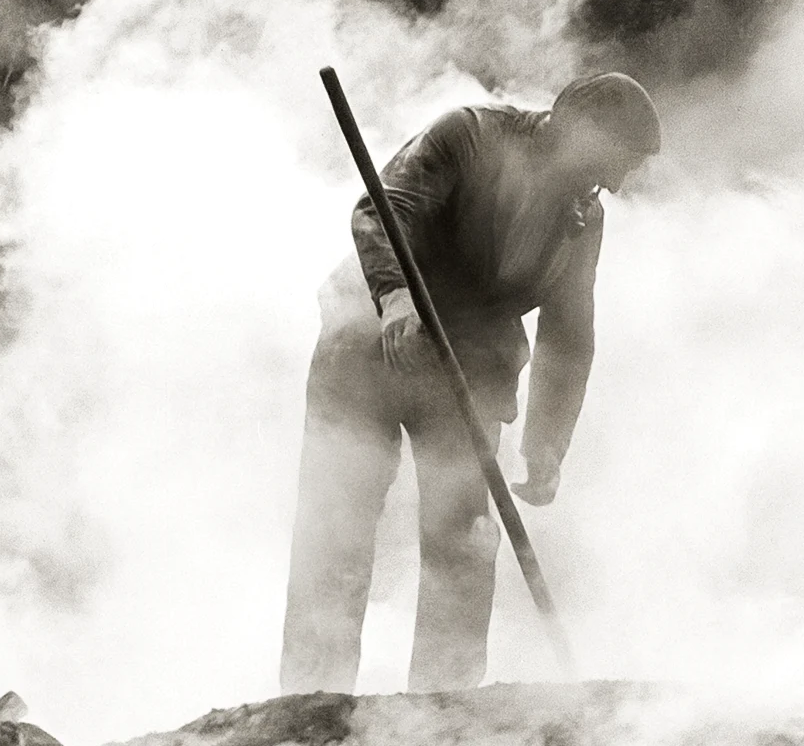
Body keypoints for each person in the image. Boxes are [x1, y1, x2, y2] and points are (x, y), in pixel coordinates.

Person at [279, 72, 660, 694]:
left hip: (468, 367)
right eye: (610, 162)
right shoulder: (471, 134)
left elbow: (569, 333)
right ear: (573, 126)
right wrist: (398, 300)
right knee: (337, 524)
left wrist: (547, 444)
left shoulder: (582, 217)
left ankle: (443, 715)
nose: (613, 184)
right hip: (369, 339)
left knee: (463, 541)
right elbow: (382, 208)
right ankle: (305, 705)